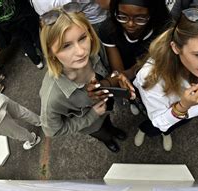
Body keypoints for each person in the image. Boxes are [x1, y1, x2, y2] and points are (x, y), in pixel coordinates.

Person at [39, 4, 135, 153]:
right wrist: (91, 116)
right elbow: (53, 131)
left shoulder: (94, 52)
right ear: (51, 53)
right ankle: (107, 139)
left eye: (83, 38)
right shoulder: (52, 97)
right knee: (101, 132)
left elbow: (110, 69)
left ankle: (113, 130)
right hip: (91, 125)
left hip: (105, 108)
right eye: (66, 46)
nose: (81, 51)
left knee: (108, 123)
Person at [133, 8, 198, 151]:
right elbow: (158, 120)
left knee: (172, 126)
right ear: (176, 48)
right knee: (153, 126)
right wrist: (182, 107)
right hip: (155, 111)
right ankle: (143, 130)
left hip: (184, 114)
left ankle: (167, 132)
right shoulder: (151, 76)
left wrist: (185, 112)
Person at [99, 0, 172, 115]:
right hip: (126, 64)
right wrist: (102, 85)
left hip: (151, 66)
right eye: (122, 16)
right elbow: (118, 71)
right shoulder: (108, 29)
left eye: (140, 18)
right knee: (129, 87)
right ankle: (134, 101)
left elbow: (153, 60)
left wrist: (127, 74)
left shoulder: (163, 30)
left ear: (152, 14)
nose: (130, 24)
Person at [0, 0, 44, 69]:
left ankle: (37, 62)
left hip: (6, 24)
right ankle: (47, 53)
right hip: (21, 12)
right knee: (36, 34)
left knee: (24, 39)